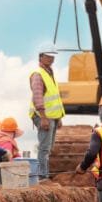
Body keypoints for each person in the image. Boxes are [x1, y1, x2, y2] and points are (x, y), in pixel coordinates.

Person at [29, 44, 65, 182]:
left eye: (52, 56)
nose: (51, 58)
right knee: (44, 148)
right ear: (41, 57)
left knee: (48, 148)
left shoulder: (49, 73)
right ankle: (42, 177)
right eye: (48, 56)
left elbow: (54, 98)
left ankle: (44, 175)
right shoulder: (39, 74)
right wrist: (43, 118)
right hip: (43, 116)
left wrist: (59, 117)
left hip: (52, 116)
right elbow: (37, 96)